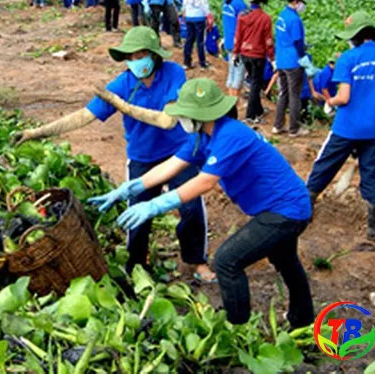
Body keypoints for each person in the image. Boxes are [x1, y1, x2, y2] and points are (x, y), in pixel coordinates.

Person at [98, 77, 315, 327]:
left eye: (183, 114)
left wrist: (155, 205)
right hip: (281, 208)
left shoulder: (231, 135)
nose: (180, 120)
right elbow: (171, 165)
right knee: (286, 260)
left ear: (200, 115)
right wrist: (131, 188)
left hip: (286, 211)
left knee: (227, 261)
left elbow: (204, 182)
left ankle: (237, 326)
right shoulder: (203, 136)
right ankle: (303, 318)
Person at [12, 27, 215, 282]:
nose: (135, 61)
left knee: (191, 205)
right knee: (137, 212)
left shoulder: (174, 73)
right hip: (142, 156)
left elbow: (167, 121)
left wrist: (121, 106)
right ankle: (137, 266)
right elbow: (83, 116)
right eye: (129, 57)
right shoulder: (121, 84)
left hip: (179, 152)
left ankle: (198, 262)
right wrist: (36, 132)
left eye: (140, 54)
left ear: (153, 55)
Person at [306, 11, 375, 239]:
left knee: (326, 164)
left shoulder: (348, 58)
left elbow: (343, 97)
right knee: (371, 171)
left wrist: (330, 101)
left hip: (348, 126)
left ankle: (306, 206)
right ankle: (373, 225)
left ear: (356, 36)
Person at [274, 0, 315, 138]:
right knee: (295, 95)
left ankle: (278, 125)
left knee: (283, 93)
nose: (303, 6)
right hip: (293, 61)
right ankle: (294, 129)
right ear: (296, 1)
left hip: (281, 60)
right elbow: (297, 41)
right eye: (302, 3)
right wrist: (303, 57)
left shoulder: (282, 15)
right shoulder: (294, 19)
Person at [234, 0, 272, 124]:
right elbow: (268, 41)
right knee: (256, 84)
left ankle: (259, 110)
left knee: (253, 81)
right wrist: (272, 58)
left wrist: (235, 52)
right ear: (261, 3)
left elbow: (238, 36)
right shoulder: (265, 18)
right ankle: (251, 115)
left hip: (245, 53)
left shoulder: (242, 16)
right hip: (258, 55)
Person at [222, 0, 249, 95]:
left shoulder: (226, 1)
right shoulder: (240, 4)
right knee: (238, 73)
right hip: (237, 42)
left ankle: (229, 96)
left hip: (228, 40)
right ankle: (234, 102)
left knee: (232, 70)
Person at [182, 0, 210, 69]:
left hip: (189, 15)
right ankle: (202, 63)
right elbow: (204, 1)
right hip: (199, 15)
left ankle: (186, 62)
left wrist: (184, 10)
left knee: (189, 39)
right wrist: (208, 14)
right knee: (200, 40)